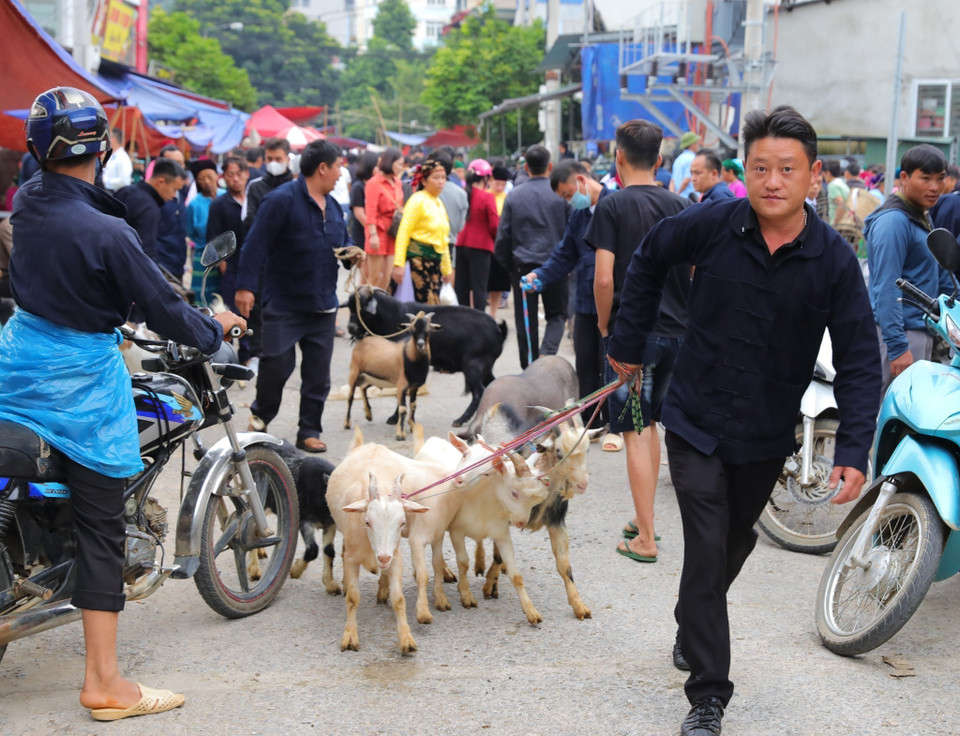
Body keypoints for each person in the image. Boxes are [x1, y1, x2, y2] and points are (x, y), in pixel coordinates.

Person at [606, 106, 881, 736]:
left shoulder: (834, 261)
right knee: (707, 543)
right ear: (746, 172)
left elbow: (861, 358)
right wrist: (628, 341)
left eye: (787, 169)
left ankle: (691, 614)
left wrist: (854, 449)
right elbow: (648, 258)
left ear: (813, 177)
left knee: (730, 543)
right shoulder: (712, 222)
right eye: (761, 168)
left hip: (764, 432)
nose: (773, 181)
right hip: (696, 418)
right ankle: (709, 695)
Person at [0, 86, 245, 720]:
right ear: (103, 147)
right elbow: (166, 310)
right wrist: (214, 330)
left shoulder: (27, 201)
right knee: (102, 521)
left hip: (18, 362)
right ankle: (104, 684)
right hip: (77, 382)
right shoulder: (106, 229)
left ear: (36, 149)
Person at [584, 120, 690, 560]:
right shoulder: (682, 204)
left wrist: (606, 327)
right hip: (676, 336)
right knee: (650, 426)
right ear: (661, 160)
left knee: (632, 430)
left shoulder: (611, 206)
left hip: (633, 339)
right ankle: (645, 519)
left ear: (618, 158)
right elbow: (695, 271)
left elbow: (604, 278)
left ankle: (645, 539)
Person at [235, 139, 362, 453]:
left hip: (322, 307)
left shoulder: (333, 207)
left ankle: (308, 429)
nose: (340, 174)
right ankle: (260, 419)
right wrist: (245, 286)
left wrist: (351, 255)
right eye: (338, 168)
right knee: (276, 366)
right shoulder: (281, 200)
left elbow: (341, 245)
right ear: (322, 168)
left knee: (318, 375)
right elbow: (255, 245)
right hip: (284, 303)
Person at [522, 159, 610, 427]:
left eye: (569, 195)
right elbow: (564, 254)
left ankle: (616, 426)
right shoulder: (579, 216)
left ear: (582, 180)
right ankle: (591, 424)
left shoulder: (616, 206)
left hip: (615, 303)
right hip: (584, 303)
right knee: (585, 365)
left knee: (612, 366)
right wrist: (541, 275)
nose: (570, 201)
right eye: (565, 198)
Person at [864, 144, 952, 395]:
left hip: (919, 333)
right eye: (925, 178)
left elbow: (940, 276)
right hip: (900, 335)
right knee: (885, 418)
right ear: (904, 177)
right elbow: (886, 287)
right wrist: (897, 347)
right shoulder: (894, 221)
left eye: (940, 179)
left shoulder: (920, 216)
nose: (935, 187)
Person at [494, 144, 570, 368]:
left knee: (525, 320)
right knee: (557, 314)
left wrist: (510, 265)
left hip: (523, 265)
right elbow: (572, 232)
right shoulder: (562, 195)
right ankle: (547, 353)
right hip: (556, 264)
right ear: (550, 166)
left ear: (526, 167)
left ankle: (529, 366)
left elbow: (503, 237)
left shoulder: (514, 196)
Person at [391, 158, 453, 305]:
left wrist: (447, 268)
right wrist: (398, 264)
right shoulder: (416, 200)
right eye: (436, 178)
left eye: (443, 178)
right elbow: (403, 232)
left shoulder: (438, 203)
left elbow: (443, 239)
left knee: (434, 307)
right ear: (424, 181)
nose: (441, 182)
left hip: (435, 264)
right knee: (425, 307)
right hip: (417, 263)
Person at [114, 158, 186, 265]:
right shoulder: (149, 209)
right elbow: (145, 254)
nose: (173, 196)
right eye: (174, 190)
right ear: (161, 182)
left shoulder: (125, 191)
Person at [206, 156, 249, 321]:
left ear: (246, 174)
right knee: (232, 313)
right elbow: (213, 236)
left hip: (254, 265)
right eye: (230, 175)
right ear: (223, 177)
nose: (235, 179)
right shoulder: (219, 204)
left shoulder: (254, 200)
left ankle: (250, 347)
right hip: (231, 267)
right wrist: (222, 263)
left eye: (239, 173)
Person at [454, 159, 499, 310]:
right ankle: (479, 322)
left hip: (460, 244)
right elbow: (494, 225)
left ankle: (463, 320)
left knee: (461, 288)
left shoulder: (461, 194)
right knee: (479, 288)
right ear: (485, 178)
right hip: (481, 246)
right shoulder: (487, 197)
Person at [364, 149, 405, 291]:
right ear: (390, 163)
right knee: (375, 276)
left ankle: (378, 308)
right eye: (399, 164)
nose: (401, 167)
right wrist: (373, 234)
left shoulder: (397, 182)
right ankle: (363, 307)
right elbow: (371, 211)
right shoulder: (374, 183)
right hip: (378, 231)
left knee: (387, 277)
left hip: (393, 232)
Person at [186, 160, 224, 305]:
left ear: (217, 175)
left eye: (209, 176)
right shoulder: (194, 205)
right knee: (203, 299)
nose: (207, 181)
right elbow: (190, 232)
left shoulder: (225, 196)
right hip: (203, 256)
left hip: (226, 256)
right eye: (201, 178)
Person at [152, 145, 190, 281]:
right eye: (173, 163)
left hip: (178, 265)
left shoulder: (184, 192)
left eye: (181, 163)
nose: (179, 168)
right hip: (159, 269)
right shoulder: (152, 199)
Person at [486, 164, 512, 318]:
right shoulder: (485, 195)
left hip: (500, 244)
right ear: (490, 180)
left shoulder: (507, 198)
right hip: (486, 243)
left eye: (503, 184)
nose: (500, 187)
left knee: (497, 283)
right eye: (497, 183)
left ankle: (493, 313)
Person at [348, 151, 379, 283]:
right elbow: (359, 214)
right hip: (362, 232)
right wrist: (374, 230)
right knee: (366, 271)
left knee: (374, 271)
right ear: (370, 167)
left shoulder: (377, 185)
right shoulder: (358, 187)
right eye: (378, 165)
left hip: (373, 232)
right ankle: (361, 299)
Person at [436, 153, 469, 261]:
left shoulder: (425, 192)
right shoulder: (461, 193)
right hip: (452, 243)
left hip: (430, 245)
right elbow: (460, 226)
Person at [670, 131, 700, 199]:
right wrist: (678, 193)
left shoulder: (678, 159)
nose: (698, 145)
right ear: (692, 144)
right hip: (689, 198)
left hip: (678, 198)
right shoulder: (693, 159)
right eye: (696, 142)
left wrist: (674, 196)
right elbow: (686, 180)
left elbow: (672, 181)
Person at [101, 128, 132, 193]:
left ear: (113, 139)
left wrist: (106, 181)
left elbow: (124, 181)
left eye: (108, 138)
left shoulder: (122, 158)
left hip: (116, 194)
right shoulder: (112, 156)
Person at [823, 159, 850, 227]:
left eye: (824, 174)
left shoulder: (833, 185)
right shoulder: (841, 183)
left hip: (839, 224)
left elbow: (841, 203)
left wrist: (835, 222)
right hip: (846, 221)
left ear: (828, 173)